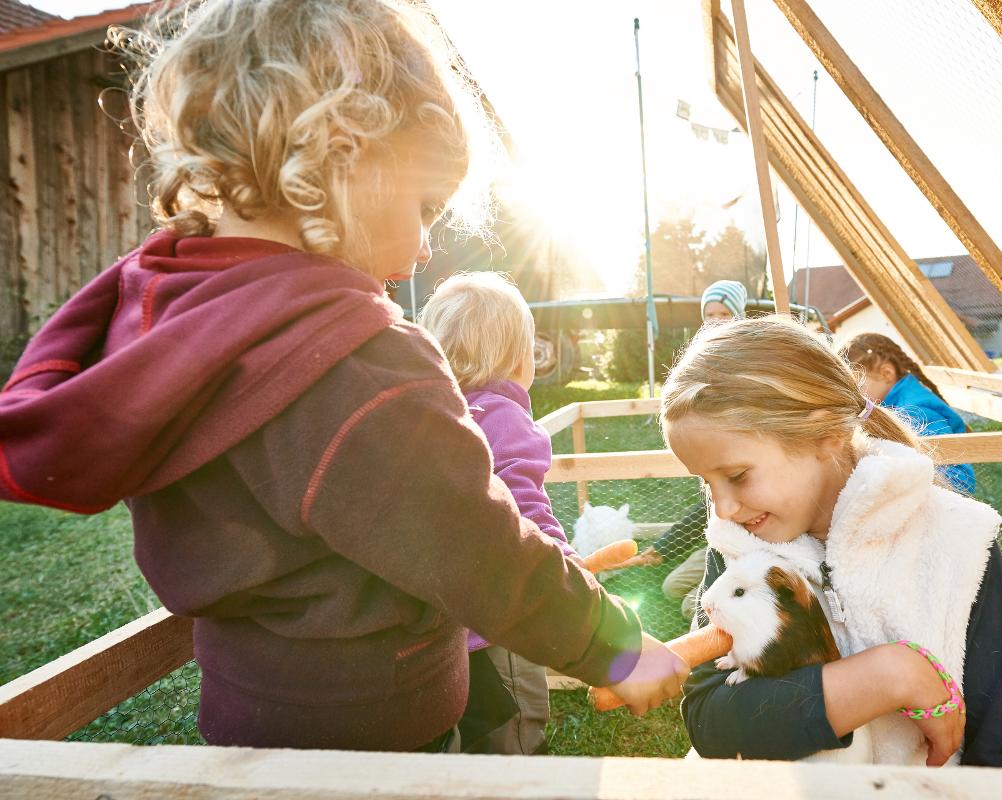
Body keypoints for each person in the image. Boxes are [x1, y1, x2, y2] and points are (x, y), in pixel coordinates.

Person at [0, 0, 686, 752]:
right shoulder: (356, 358)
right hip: (383, 739)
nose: (427, 246)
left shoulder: (164, 314)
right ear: (345, 160)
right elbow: (477, 549)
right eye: (426, 206)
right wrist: (620, 647)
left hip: (243, 724)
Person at [661, 316, 1002, 766]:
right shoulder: (735, 546)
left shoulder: (960, 540)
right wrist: (887, 677)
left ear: (825, 437)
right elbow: (709, 720)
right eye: (707, 484)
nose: (723, 509)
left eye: (736, 476)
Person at [418, 271, 568, 755]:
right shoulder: (502, 418)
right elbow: (526, 511)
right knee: (514, 733)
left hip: (437, 631)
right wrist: (571, 575)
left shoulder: (427, 414)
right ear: (519, 357)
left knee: (462, 734)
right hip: (499, 625)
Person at [623, 279, 750, 619]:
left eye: (724, 313)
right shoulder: (702, 366)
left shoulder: (746, 365)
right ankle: (716, 577)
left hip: (749, 524)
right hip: (722, 527)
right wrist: (663, 547)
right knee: (672, 588)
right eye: (710, 314)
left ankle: (733, 590)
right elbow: (706, 503)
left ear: (738, 315)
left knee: (691, 608)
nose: (716, 320)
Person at [840, 332, 976, 493]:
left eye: (858, 386)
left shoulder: (916, 412)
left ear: (886, 374)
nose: (852, 396)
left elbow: (960, 479)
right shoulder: (893, 405)